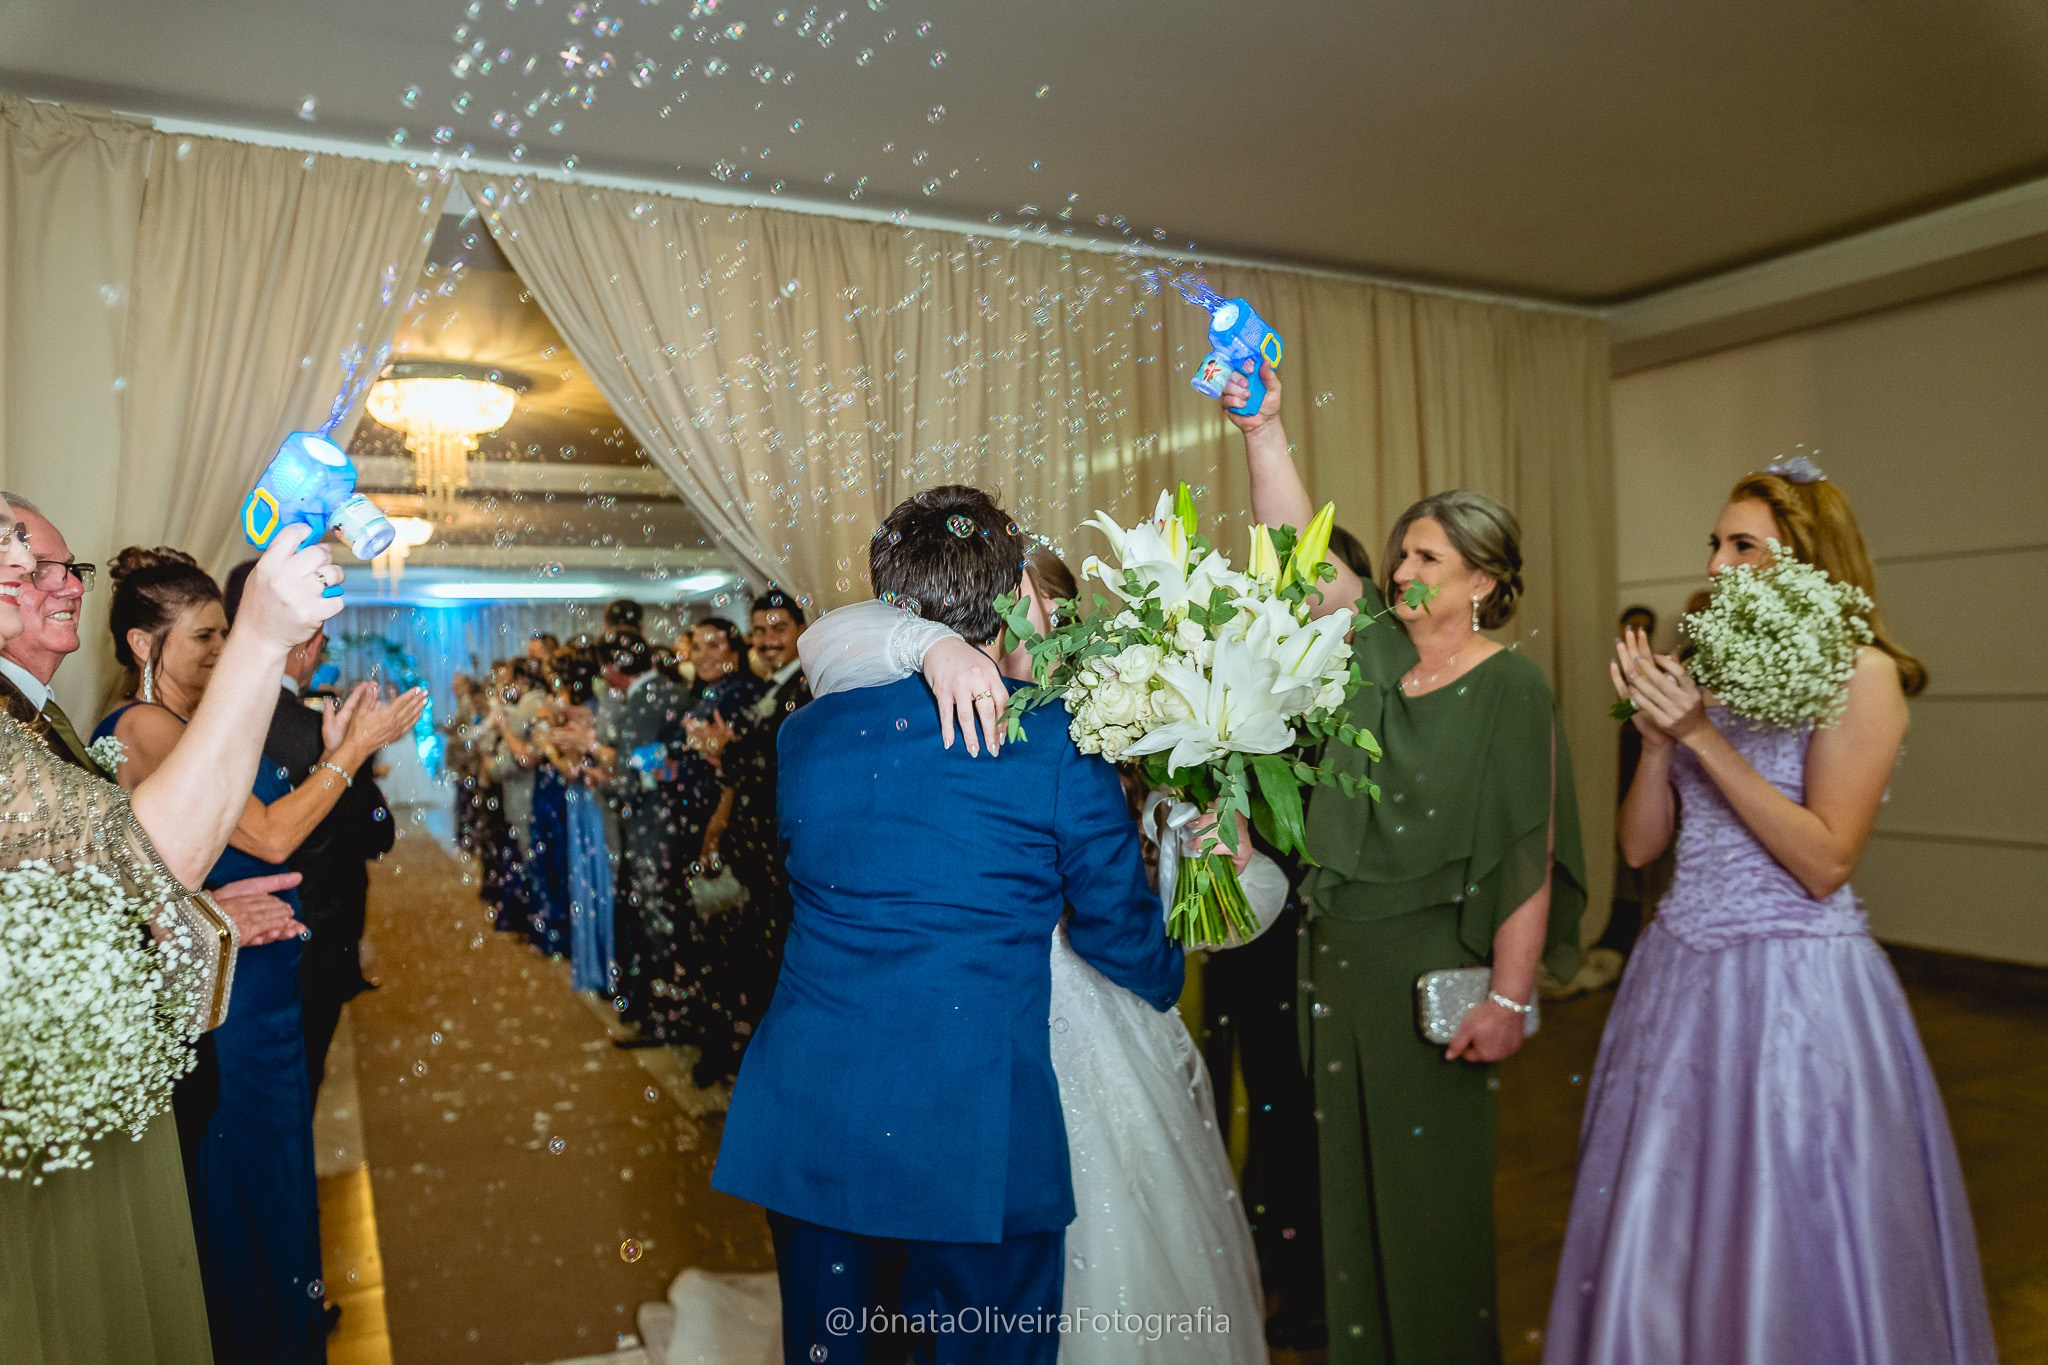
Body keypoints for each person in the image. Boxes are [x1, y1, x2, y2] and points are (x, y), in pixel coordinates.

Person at [712, 486, 1186, 1365]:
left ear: (891, 604)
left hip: (814, 1109)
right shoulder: (1057, 748)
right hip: (973, 1127)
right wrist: (1171, 959)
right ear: (1011, 596)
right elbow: (1119, 936)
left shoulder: (804, 738)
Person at [1544, 465, 1995, 1365]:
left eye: (1742, 544)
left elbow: (1825, 860)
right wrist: (1657, 739)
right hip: (1678, 974)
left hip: (1797, 986)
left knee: (1790, 1218)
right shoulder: (1708, 668)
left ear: (1812, 559)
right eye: (1715, 544)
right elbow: (1638, 850)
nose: (1717, 562)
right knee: (1669, 1220)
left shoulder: (1864, 677)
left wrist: (1703, 738)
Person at [784, 539, 1276, 1364]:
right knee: (986, 1256)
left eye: (1045, 612)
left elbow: (1169, 899)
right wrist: (1156, 967)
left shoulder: (1105, 723)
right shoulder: (936, 700)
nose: (1032, 628)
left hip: (1074, 1011)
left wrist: (1195, 837)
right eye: (1020, 609)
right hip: (1001, 1007)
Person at [1225, 360, 1586, 1365]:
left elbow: (1530, 852)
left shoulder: (1512, 690)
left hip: (1435, 970)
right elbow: (1298, 561)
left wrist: (1509, 1001)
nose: (1398, 572)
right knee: (1342, 1200)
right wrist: (1264, 432)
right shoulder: (1373, 653)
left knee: (1427, 1209)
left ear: (1483, 580)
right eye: (1397, 555)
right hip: (1336, 964)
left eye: (1425, 557)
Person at [0, 501, 338, 1365]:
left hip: (114, 1069)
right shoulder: (75, 727)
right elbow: (144, 852)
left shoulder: (43, 720)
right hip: (53, 1101)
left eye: (64, 569)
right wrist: (268, 644)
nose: (58, 586)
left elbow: (75, 882)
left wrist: (204, 912)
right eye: (25, 564)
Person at [95, 547, 423, 1365]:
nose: (221, 650)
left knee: (279, 1177)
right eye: (205, 636)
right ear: (145, 645)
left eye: (226, 634)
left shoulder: (197, 724)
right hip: (232, 1000)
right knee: (246, 1180)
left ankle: (286, 1328)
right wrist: (356, 752)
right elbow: (272, 834)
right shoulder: (144, 727)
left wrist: (334, 750)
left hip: (266, 985)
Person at [222, 560, 399, 1101]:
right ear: (310, 641)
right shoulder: (318, 730)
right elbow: (377, 835)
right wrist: (354, 752)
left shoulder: (207, 718)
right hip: (312, 933)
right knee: (299, 1082)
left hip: (225, 937)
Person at [687, 589, 811, 1087]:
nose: (767, 640)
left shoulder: (803, 688)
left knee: (766, 963)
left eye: (778, 629)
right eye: (759, 630)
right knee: (748, 959)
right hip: (757, 849)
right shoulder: (772, 686)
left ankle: (758, 1063)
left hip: (777, 849)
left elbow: (775, 765)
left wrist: (727, 756)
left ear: (801, 629)